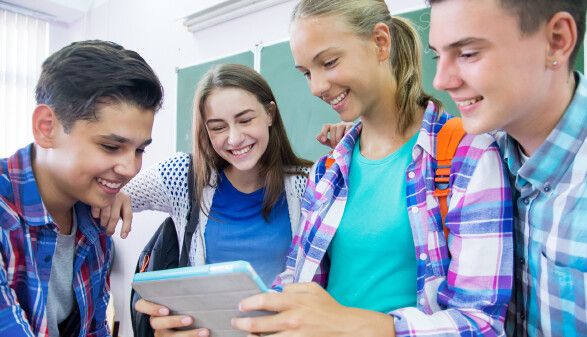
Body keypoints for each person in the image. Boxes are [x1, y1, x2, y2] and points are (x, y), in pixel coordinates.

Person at [226, 0, 515, 336]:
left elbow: (481, 323)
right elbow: (296, 282)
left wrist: (349, 325)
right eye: (306, 73)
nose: (316, 87)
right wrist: (218, 318)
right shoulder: (326, 172)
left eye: (329, 62)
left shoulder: (468, 156)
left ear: (380, 42)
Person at [426, 0, 587, 335]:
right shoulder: (475, 158)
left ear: (556, 40)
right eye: (436, 56)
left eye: (468, 53)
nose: (441, 80)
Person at [124, 63, 316, 333]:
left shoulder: (309, 183)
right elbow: (105, 190)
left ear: (270, 114)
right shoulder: (182, 176)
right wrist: (117, 197)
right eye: (217, 127)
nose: (234, 138)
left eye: (245, 120)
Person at [0, 40, 163, 337]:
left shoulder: (96, 219)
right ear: (47, 127)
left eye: (139, 150)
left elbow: (94, 329)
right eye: (111, 146)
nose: (130, 169)